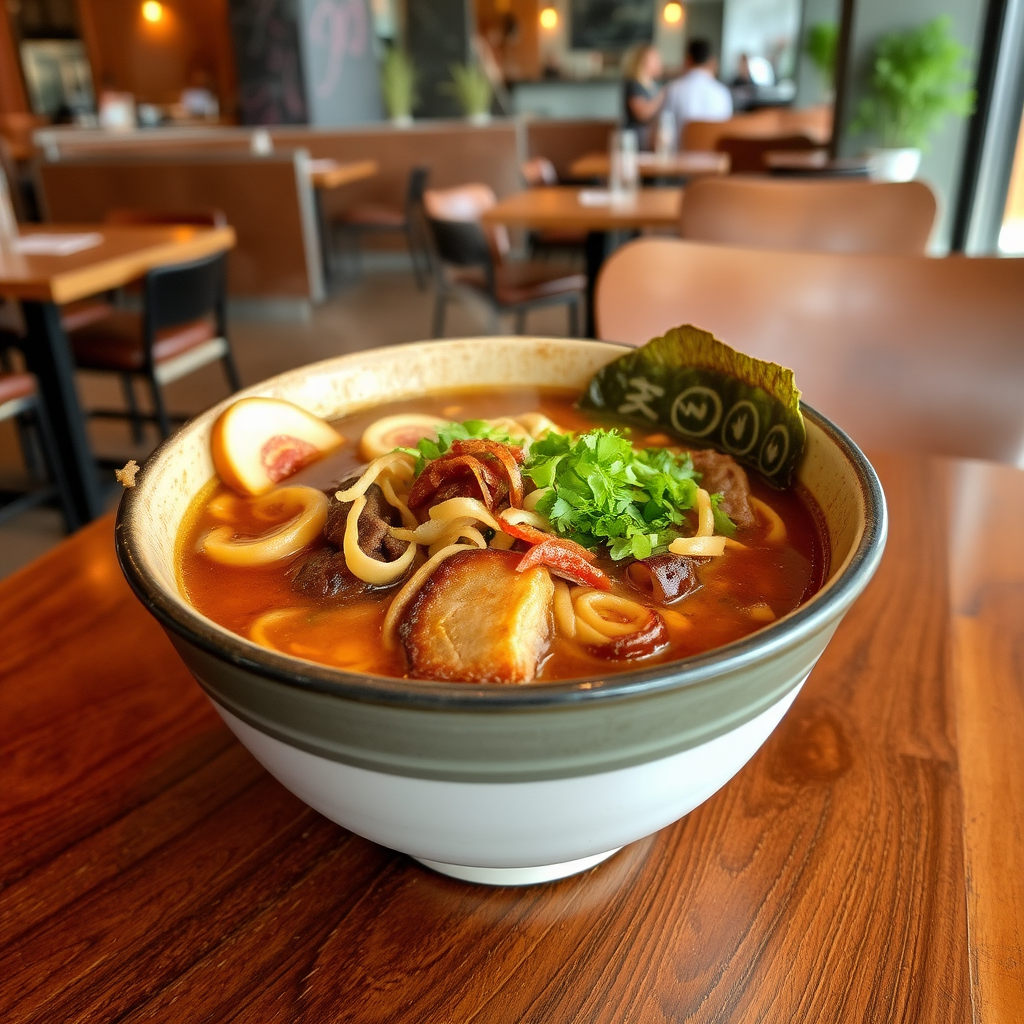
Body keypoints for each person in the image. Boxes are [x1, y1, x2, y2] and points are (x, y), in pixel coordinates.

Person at [662, 38, 733, 142]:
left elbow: (663, 131)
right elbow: (726, 131)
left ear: (687, 60)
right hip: (713, 156)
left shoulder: (673, 89)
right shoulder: (723, 93)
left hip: (680, 156)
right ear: (712, 62)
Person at [621, 44, 664, 149]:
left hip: (647, 140)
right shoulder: (634, 84)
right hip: (635, 142)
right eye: (654, 59)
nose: (659, 63)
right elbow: (641, 113)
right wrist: (663, 95)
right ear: (643, 62)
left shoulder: (652, 86)